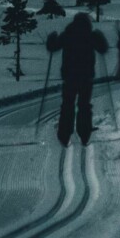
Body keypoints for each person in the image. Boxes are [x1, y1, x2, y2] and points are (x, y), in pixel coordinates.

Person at [46, 12, 109, 147]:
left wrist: (51, 38)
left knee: (67, 105)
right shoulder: (90, 35)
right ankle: (84, 134)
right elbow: (103, 49)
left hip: (70, 77)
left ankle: (64, 134)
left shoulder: (68, 34)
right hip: (86, 77)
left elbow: (53, 47)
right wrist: (100, 37)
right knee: (84, 105)